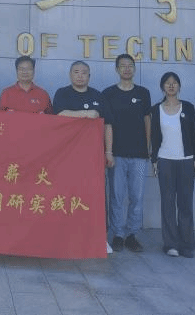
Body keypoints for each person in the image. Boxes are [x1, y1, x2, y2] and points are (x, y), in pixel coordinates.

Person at [52, 60, 114, 254]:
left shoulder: (98, 96)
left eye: (84, 72)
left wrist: (108, 152)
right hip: (67, 156)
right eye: (76, 72)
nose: (80, 75)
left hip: (92, 157)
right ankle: (66, 235)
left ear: (89, 76)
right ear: (70, 75)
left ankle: (100, 238)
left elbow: (108, 125)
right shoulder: (62, 93)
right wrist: (86, 114)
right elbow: (59, 114)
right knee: (66, 194)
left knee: (95, 195)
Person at [103, 53, 152, 253]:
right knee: (116, 196)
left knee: (136, 197)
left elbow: (147, 120)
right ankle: (117, 234)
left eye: (130, 65)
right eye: (122, 66)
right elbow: (106, 124)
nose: (126, 69)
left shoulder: (143, 93)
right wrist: (108, 151)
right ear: (117, 69)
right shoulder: (109, 93)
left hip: (139, 155)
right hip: (117, 154)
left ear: (134, 68)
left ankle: (132, 234)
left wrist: (147, 147)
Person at [150, 72, 195, 257]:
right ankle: (171, 244)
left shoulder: (187, 107)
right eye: (167, 83)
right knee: (168, 203)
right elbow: (154, 137)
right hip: (165, 160)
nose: (171, 86)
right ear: (162, 87)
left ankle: (187, 245)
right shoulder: (156, 109)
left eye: (174, 83)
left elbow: (194, 134)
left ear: (179, 86)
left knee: (185, 204)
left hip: (186, 160)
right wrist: (154, 160)